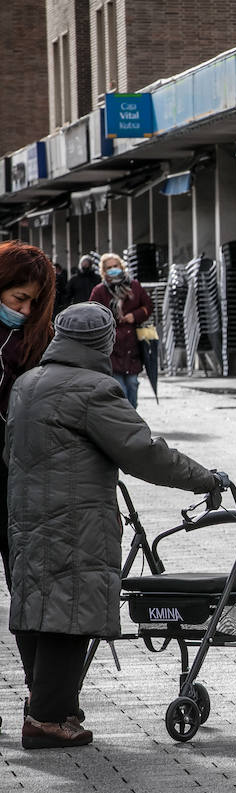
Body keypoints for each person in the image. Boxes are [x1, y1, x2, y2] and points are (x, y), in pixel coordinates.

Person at [7, 304, 227, 749]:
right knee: (67, 616)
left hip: (26, 514)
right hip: (75, 519)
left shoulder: (27, 383)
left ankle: (51, 706)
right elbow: (144, 452)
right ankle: (48, 721)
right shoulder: (95, 389)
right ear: (104, 341)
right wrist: (204, 478)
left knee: (36, 610)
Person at [0, 241, 58, 593]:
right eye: (18, 297)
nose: (24, 309)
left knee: (22, 574)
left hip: (20, 472)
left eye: (34, 302)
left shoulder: (42, 338)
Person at [87, 252, 153, 407]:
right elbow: (91, 312)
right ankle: (126, 421)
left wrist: (134, 316)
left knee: (132, 384)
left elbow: (148, 306)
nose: (113, 269)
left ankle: (131, 418)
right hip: (111, 347)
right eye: (109, 267)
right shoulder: (99, 291)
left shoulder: (134, 286)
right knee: (119, 388)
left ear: (121, 266)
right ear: (104, 271)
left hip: (133, 345)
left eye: (115, 266)